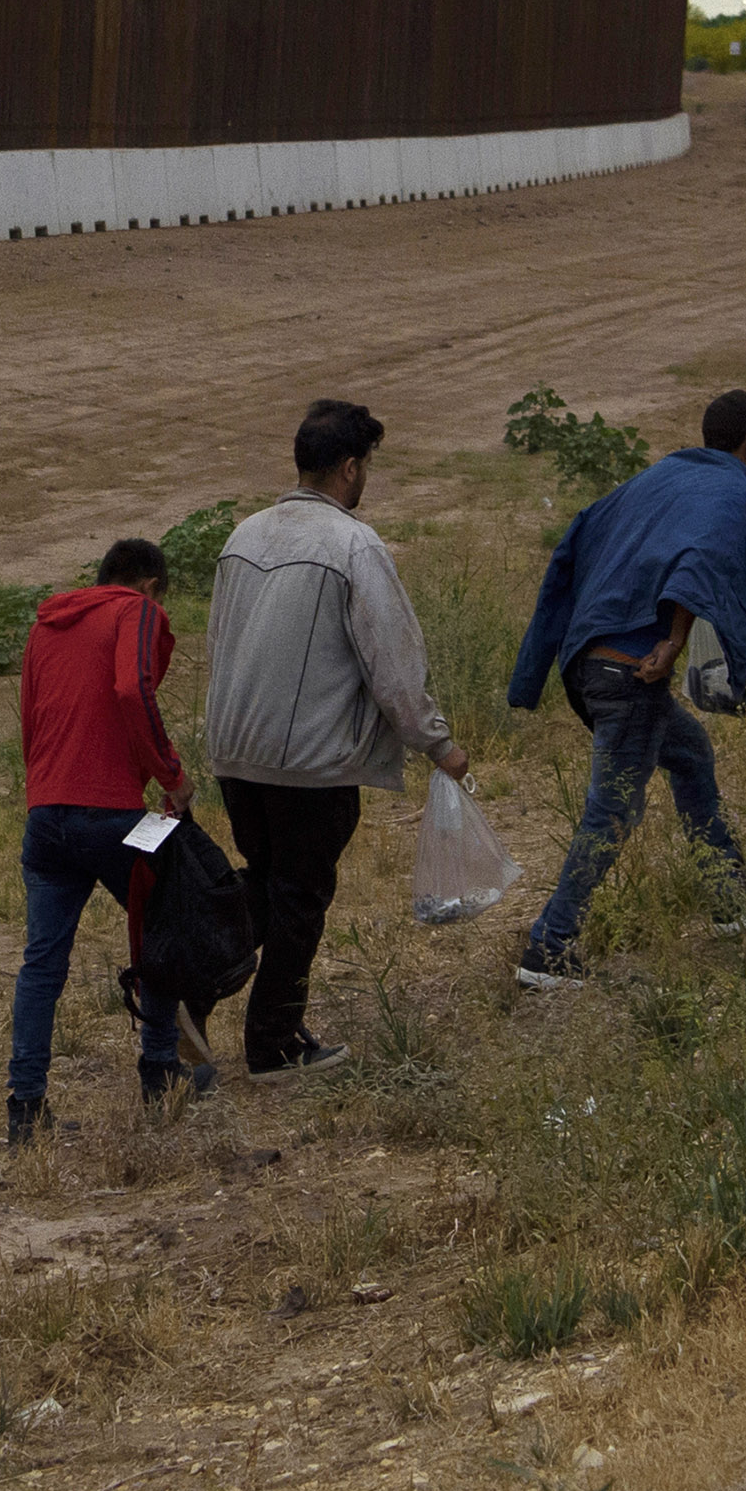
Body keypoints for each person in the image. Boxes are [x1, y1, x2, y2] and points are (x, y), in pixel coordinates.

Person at [203, 398, 473, 1072]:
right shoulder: (354, 544)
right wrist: (437, 743)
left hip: (235, 753)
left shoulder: (244, 535)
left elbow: (219, 642)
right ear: (351, 468)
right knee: (299, 899)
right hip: (311, 764)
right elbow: (394, 664)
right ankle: (272, 1042)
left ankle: (185, 979)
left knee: (266, 884)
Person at [508, 392, 746, 984]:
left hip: (590, 663)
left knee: (691, 754)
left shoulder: (660, 476)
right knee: (611, 814)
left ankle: (729, 895)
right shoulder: (737, 491)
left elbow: (570, 549)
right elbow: (699, 559)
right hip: (633, 670)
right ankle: (549, 948)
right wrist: (673, 640)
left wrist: (533, 672)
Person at [8, 533, 189, 1133]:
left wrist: (46, 795)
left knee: (42, 964)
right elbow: (130, 689)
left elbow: (31, 719)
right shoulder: (137, 610)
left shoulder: (46, 625)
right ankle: (161, 1071)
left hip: (47, 811)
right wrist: (171, 775)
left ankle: (26, 1107)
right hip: (109, 811)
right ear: (149, 585)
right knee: (162, 928)